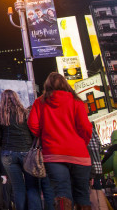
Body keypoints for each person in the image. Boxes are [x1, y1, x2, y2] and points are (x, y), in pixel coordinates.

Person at [28, 72, 93, 210]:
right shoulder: (77, 101)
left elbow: (33, 125)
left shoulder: (39, 102)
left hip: (53, 154)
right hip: (79, 154)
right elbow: (86, 127)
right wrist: (82, 142)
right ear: (65, 84)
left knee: (61, 193)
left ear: (47, 85)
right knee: (82, 195)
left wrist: (45, 134)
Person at [0, 89, 39, 210]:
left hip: (8, 154)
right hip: (27, 153)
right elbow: (34, 131)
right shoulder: (25, 112)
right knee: (32, 186)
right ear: (16, 98)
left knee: (18, 188)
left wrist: (4, 143)